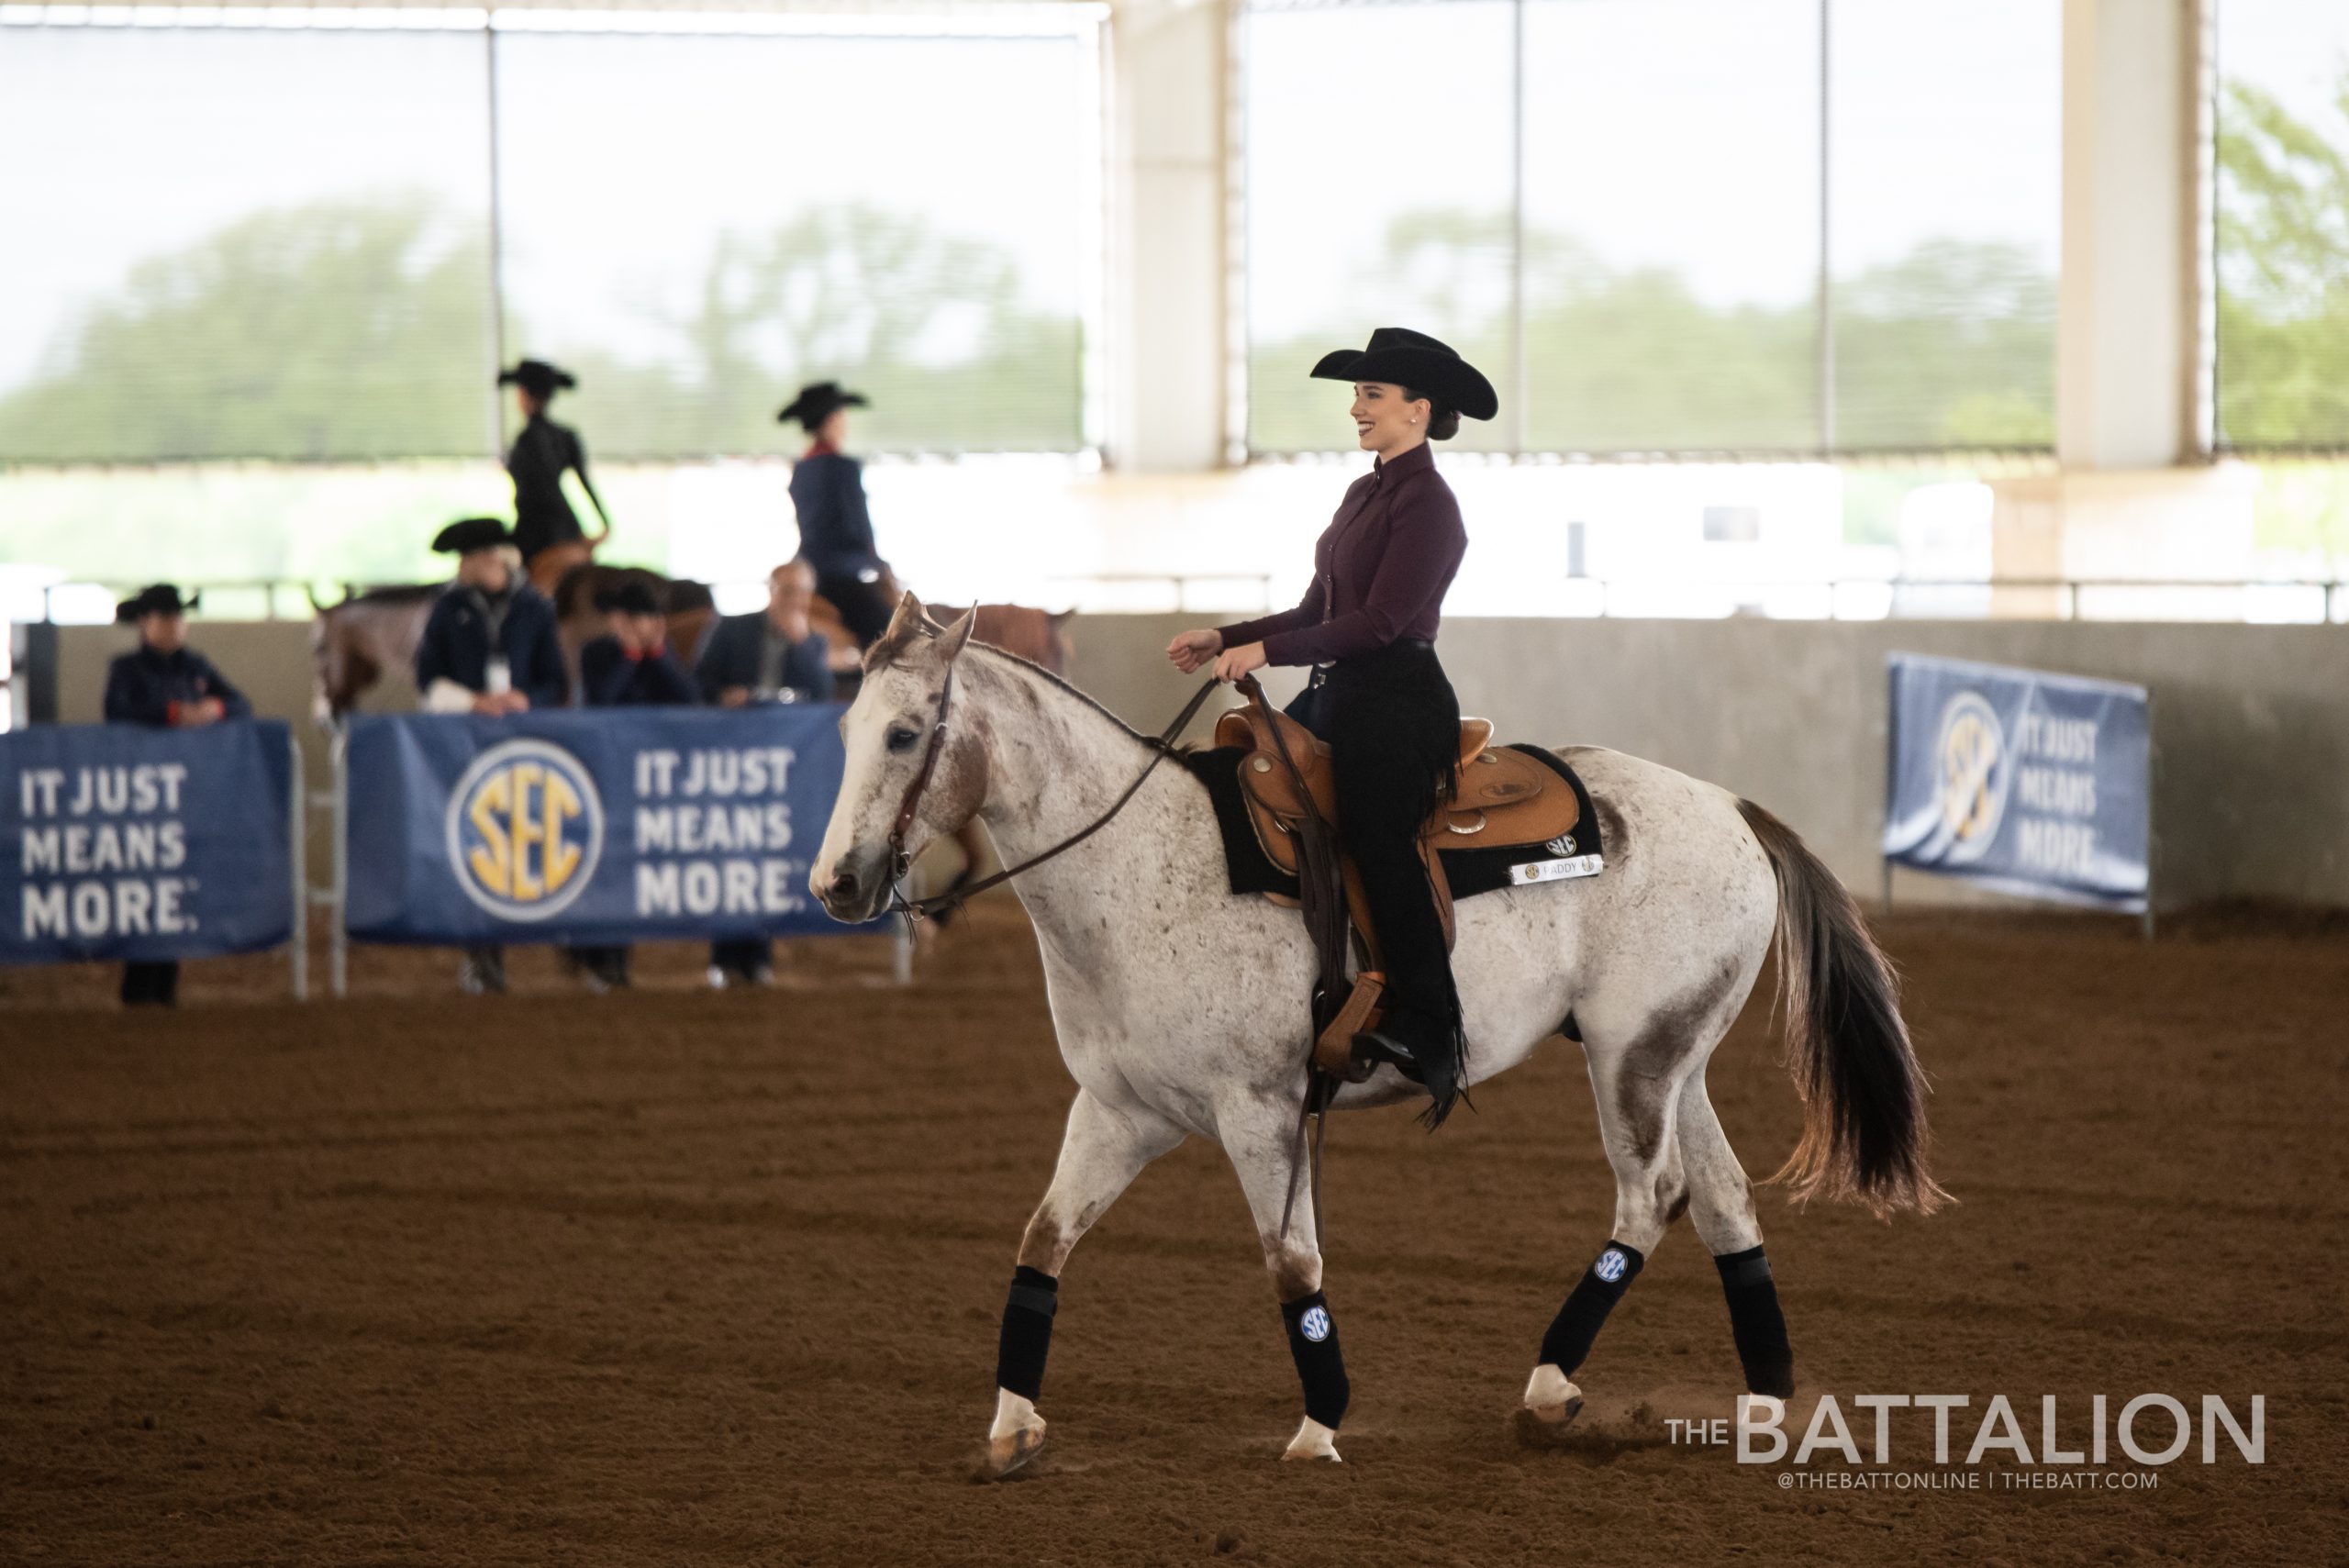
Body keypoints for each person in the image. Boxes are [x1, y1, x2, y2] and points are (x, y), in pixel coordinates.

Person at [1166, 327, 1497, 1125]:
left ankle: (1430, 1026)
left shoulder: (1431, 505)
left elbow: (1381, 623)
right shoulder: (1364, 492)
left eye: (1372, 395)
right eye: (1357, 395)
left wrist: (1263, 651)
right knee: (1236, 791)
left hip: (1400, 702)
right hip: (1341, 694)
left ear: (1418, 411)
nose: (1357, 408)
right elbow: (1320, 610)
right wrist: (1230, 635)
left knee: (1378, 838)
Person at [415, 516, 569, 995]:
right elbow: (429, 681)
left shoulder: (534, 609)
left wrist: (528, 700)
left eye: (470, 558)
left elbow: (556, 682)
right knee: (478, 845)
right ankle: (481, 959)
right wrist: (474, 702)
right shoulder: (447, 610)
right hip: (467, 745)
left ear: (492, 559)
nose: (464, 568)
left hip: (529, 744)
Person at [103, 584, 253, 1008]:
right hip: (140, 796)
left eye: (178, 618)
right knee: (146, 890)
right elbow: (117, 712)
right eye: (166, 618)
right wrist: (172, 714)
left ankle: (165, 984)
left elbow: (240, 704)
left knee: (173, 889)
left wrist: (215, 710)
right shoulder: (127, 669)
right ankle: (138, 985)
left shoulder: (196, 666)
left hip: (187, 797)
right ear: (145, 624)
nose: (174, 626)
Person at [694, 560, 837, 987]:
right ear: (771, 590)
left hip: (780, 772)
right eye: (787, 590)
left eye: (801, 592)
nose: (794, 600)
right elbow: (699, 683)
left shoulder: (813, 643)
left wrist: (802, 646)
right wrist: (724, 697)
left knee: (764, 863)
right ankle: (724, 955)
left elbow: (823, 698)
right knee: (729, 857)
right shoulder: (731, 629)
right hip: (730, 764)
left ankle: (758, 957)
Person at [567, 582, 696, 991]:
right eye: (644, 619)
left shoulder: (661, 653)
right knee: (604, 865)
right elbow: (601, 701)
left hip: (643, 780)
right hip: (604, 776)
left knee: (627, 867)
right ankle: (596, 960)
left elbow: (689, 701)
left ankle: (617, 962)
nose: (653, 626)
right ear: (620, 621)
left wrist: (656, 657)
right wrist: (629, 656)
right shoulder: (598, 653)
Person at [780, 381, 892, 649]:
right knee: (889, 634)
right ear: (831, 420)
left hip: (809, 567)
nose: (845, 422)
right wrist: (877, 562)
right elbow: (857, 526)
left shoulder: (801, 469)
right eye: (842, 416)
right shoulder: (843, 468)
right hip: (840, 574)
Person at [499, 358, 612, 590]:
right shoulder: (566, 435)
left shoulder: (525, 440)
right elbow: (584, 481)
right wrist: (604, 523)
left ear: (524, 395)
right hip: (568, 529)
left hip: (535, 531)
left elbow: (536, 491)